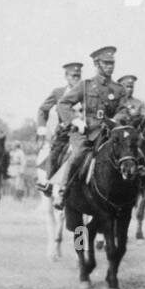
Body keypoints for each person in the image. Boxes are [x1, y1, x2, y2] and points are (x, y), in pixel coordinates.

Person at [46, 47, 124, 207]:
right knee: (78, 154)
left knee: (130, 154)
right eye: (106, 63)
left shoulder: (118, 89)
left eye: (112, 63)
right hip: (87, 132)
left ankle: (141, 191)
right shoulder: (86, 85)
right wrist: (75, 121)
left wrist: (116, 119)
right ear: (97, 64)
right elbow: (63, 104)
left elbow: (123, 109)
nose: (110, 66)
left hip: (110, 132)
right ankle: (63, 190)